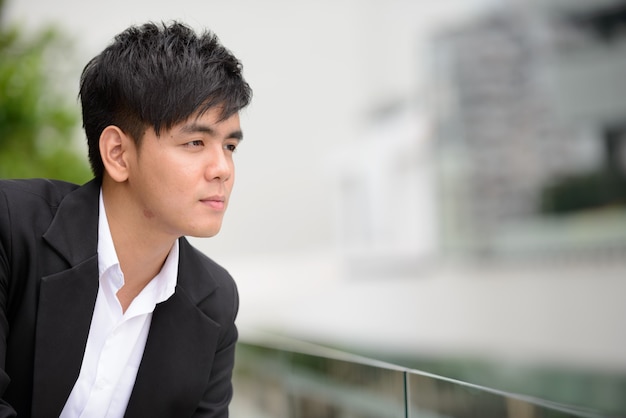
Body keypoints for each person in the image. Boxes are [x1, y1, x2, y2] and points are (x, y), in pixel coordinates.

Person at [0, 21, 252, 417]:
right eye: (195, 143)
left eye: (230, 146)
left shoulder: (215, 299)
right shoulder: (11, 229)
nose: (222, 168)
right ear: (118, 153)